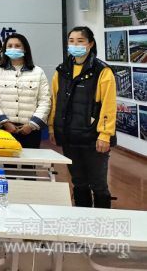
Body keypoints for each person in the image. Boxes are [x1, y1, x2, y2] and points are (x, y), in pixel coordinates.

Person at [50, 26, 116, 208]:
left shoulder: (102, 71)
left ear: (90, 44)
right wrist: (52, 127)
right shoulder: (62, 70)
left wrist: (105, 134)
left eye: (80, 41)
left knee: (98, 184)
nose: (75, 45)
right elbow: (55, 101)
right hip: (70, 136)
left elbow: (109, 105)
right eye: (71, 41)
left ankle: (102, 221)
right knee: (78, 182)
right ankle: (82, 218)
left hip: (94, 138)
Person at [0, 33, 51, 149]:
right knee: (7, 160)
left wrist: (31, 125)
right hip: (5, 130)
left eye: (17, 46)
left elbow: (45, 101)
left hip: (31, 131)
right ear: (5, 49)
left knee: (30, 160)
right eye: (9, 46)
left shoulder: (38, 72)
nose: (13, 48)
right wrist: (5, 122)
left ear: (25, 49)